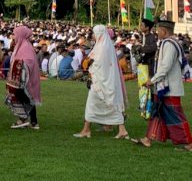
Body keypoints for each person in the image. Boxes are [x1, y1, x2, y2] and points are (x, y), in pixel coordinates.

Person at [133, 20, 192, 151]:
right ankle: (148, 139)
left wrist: (152, 80)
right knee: (156, 112)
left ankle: (189, 143)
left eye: (159, 30)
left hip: (168, 88)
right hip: (163, 86)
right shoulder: (169, 43)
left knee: (176, 115)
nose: (157, 32)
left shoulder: (169, 44)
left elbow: (165, 66)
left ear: (164, 31)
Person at [74, 25, 129, 139]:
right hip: (105, 81)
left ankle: (86, 130)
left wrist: (89, 62)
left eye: (94, 33)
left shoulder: (102, 47)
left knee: (92, 105)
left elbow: (97, 63)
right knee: (110, 105)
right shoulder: (105, 45)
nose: (93, 35)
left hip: (100, 81)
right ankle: (120, 129)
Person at [6, 26, 42, 129]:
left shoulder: (25, 46)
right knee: (26, 97)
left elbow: (28, 60)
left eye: (16, 34)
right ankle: (31, 121)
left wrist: (19, 64)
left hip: (24, 79)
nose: (14, 36)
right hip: (20, 78)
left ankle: (23, 119)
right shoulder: (21, 45)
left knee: (24, 96)